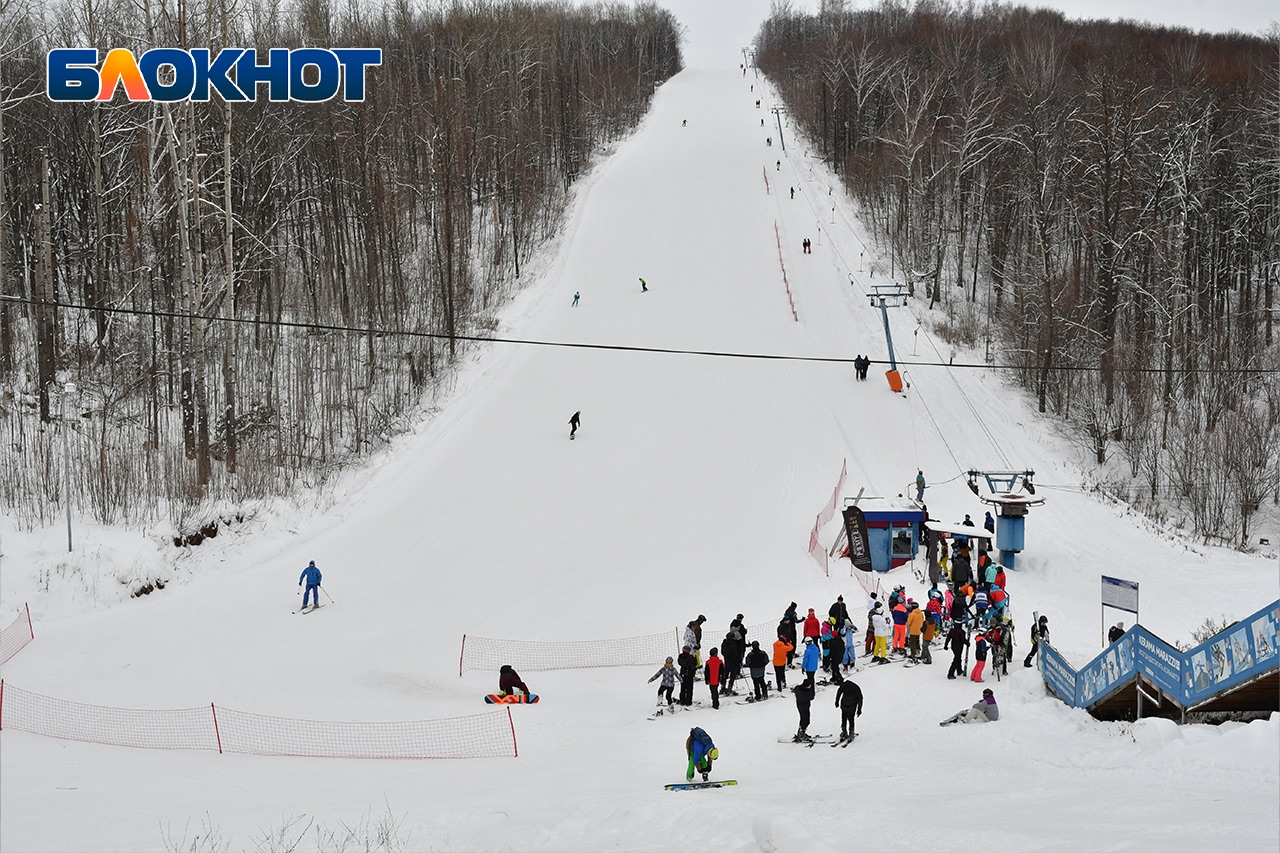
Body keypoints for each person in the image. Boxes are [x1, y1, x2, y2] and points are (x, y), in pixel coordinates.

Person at [834, 674, 863, 741]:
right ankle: (846, 731)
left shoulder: (854, 688)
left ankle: (849, 732)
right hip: (846, 705)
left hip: (850, 705)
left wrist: (859, 709)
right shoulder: (844, 686)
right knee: (848, 719)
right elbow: (839, 693)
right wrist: (837, 701)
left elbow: (860, 698)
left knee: (847, 719)